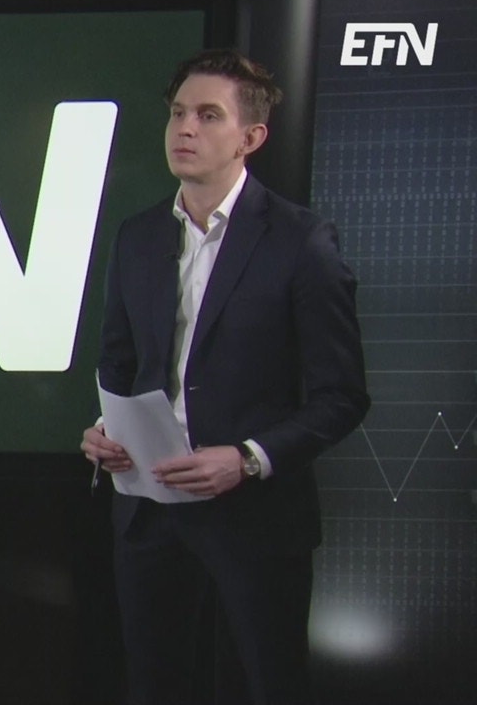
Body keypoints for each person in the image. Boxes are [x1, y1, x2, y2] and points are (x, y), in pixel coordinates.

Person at [80, 50, 370, 705]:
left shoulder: (301, 242)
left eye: (209, 116)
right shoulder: (137, 237)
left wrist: (247, 459)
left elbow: (342, 396)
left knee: (267, 685)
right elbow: (119, 364)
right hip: (149, 510)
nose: (185, 128)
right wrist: (105, 429)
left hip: (256, 518)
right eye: (178, 113)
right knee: (154, 686)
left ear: (251, 137)